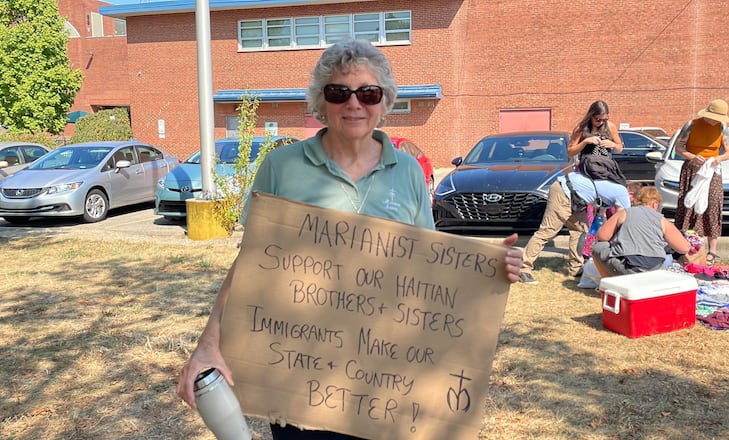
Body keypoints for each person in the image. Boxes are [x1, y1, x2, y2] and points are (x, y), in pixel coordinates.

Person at [175, 38, 525, 440]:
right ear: (321, 102)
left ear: (385, 101)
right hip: (300, 372)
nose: (354, 104)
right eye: (339, 92)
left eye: (368, 93)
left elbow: (429, 267)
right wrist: (208, 342)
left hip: (387, 377)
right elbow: (251, 265)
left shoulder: (408, 171)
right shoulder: (282, 167)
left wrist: (485, 267)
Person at [519, 171, 631, 284]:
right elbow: (621, 222)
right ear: (632, 194)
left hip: (577, 196)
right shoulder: (623, 194)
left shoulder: (614, 188)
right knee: (548, 231)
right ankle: (523, 269)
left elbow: (602, 215)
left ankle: (576, 268)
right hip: (564, 190)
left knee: (580, 231)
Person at [673, 98, 729, 264]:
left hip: (712, 169)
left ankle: (712, 250)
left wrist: (718, 158)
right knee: (688, 204)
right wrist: (693, 157)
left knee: (712, 205)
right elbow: (679, 148)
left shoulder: (723, 128)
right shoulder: (691, 125)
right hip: (692, 169)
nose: (716, 121)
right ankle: (683, 246)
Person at [591, 186, 691, 277]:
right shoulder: (662, 220)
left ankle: (607, 283)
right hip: (654, 269)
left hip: (626, 267)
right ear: (655, 204)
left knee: (598, 247)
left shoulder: (624, 213)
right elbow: (683, 248)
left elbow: (602, 237)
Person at [567, 100, 626, 185]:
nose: (601, 123)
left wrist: (613, 145)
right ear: (591, 116)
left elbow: (619, 148)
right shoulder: (581, 128)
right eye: (598, 120)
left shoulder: (610, 126)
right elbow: (570, 152)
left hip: (605, 167)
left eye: (604, 120)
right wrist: (585, 142)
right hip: (587, 168)